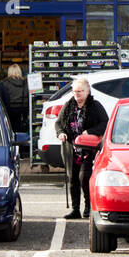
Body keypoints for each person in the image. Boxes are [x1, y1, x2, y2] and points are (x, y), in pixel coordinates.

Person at [55, 77, 108, 220]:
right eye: (75, 91)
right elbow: (59, 123)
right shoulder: (68, 105)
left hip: (88, 148)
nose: (77, 94)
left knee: (85, 178)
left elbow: (105, 123)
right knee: (73, 179)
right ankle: (75, 209)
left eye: (80, 91)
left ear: (87, 91)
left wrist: (90, 132)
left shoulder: (95, 106)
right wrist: (61, 133)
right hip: (71, 147)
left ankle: (88, 208)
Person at [1, 63, 28, 140]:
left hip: (9, 110)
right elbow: (27, 96)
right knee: (20, 130)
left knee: (8, 131)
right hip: (22, 111)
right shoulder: (25, 83)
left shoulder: (5, 83)